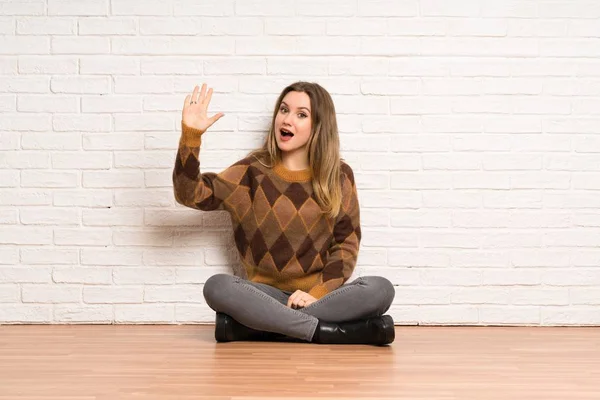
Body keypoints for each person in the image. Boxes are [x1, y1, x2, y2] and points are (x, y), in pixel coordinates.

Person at [173, 82, 395, 345]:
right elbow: (191, 195)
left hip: (319, 297)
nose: (287, 119)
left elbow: (346, 244)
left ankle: (255, 328)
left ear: (319, 126)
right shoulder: (250, 172)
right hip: (263, 296)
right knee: (217, 286)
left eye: (301, 114)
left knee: (380, 289)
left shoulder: (339, 176)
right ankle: (326, 332)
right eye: (284, 109)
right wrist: (191, 137)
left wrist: (317, 293)